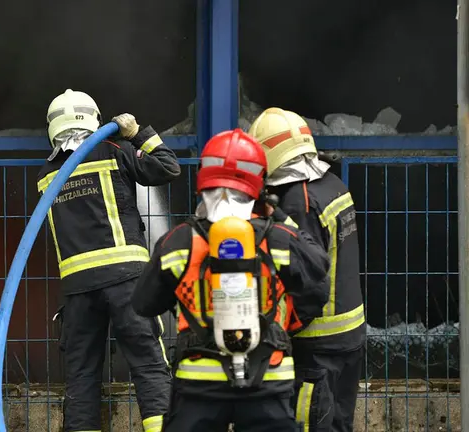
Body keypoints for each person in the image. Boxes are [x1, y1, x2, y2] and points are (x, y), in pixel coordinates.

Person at [132, 128, 330, 432]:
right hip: (269, 379)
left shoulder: (179, 241)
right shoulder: (277, 238)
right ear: (258, 184)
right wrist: (276, 214)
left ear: (202, 179)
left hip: (199, 386)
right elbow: (318, 270)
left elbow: (144, 304)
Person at [38, 89, 179, 432]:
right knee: (148, 365)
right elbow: (168, 167)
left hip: (77, 293)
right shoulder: (115, 150)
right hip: (126, 282)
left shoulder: (46, 174)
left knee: (82, 377)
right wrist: (138, 134)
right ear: (94, 119)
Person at [248, 107, 366, 432]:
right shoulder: (332, 184)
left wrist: (277, 332)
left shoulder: (298, 201)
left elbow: (305, 277)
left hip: (316, 347)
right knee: (338, 424)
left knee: (309, 424)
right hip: (349, 335)